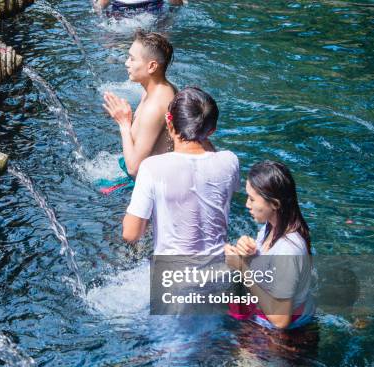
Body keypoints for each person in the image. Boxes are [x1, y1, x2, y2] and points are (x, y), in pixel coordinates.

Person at [122, 87, 240, 256]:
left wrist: (124, 127)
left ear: (169, 124)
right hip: (220, 275)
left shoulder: (152, 167)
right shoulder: (230, 161)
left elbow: (131, 234)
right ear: (212, 131)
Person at [225, 161, 315, 330]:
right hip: (264, 320)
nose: (247, 204)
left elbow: (281, 321)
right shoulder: (272, 226)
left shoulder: (289, 250)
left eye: (252, 199)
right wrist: (249, 252)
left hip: (285, 338)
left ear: (275, 204)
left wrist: (242, 268)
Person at [99, 30, 176, 194]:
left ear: (152, 66)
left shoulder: (155, 106)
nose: (127, 63)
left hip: (151, 186)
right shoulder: (156, 90)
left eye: (132, 59)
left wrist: (124, 124)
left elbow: (134, 169)